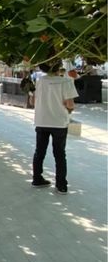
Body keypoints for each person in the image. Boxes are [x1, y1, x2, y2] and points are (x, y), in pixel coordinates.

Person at [31, 59, 77, 194]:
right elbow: (70, 104)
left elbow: (33, 101)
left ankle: (37, 178)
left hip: (41, 121)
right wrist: (68, 108)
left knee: (39, 152)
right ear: (59, 68)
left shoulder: (39, 81)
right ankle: (61, 185)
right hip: (59, 122)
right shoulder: (66, 82)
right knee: (59, 154)